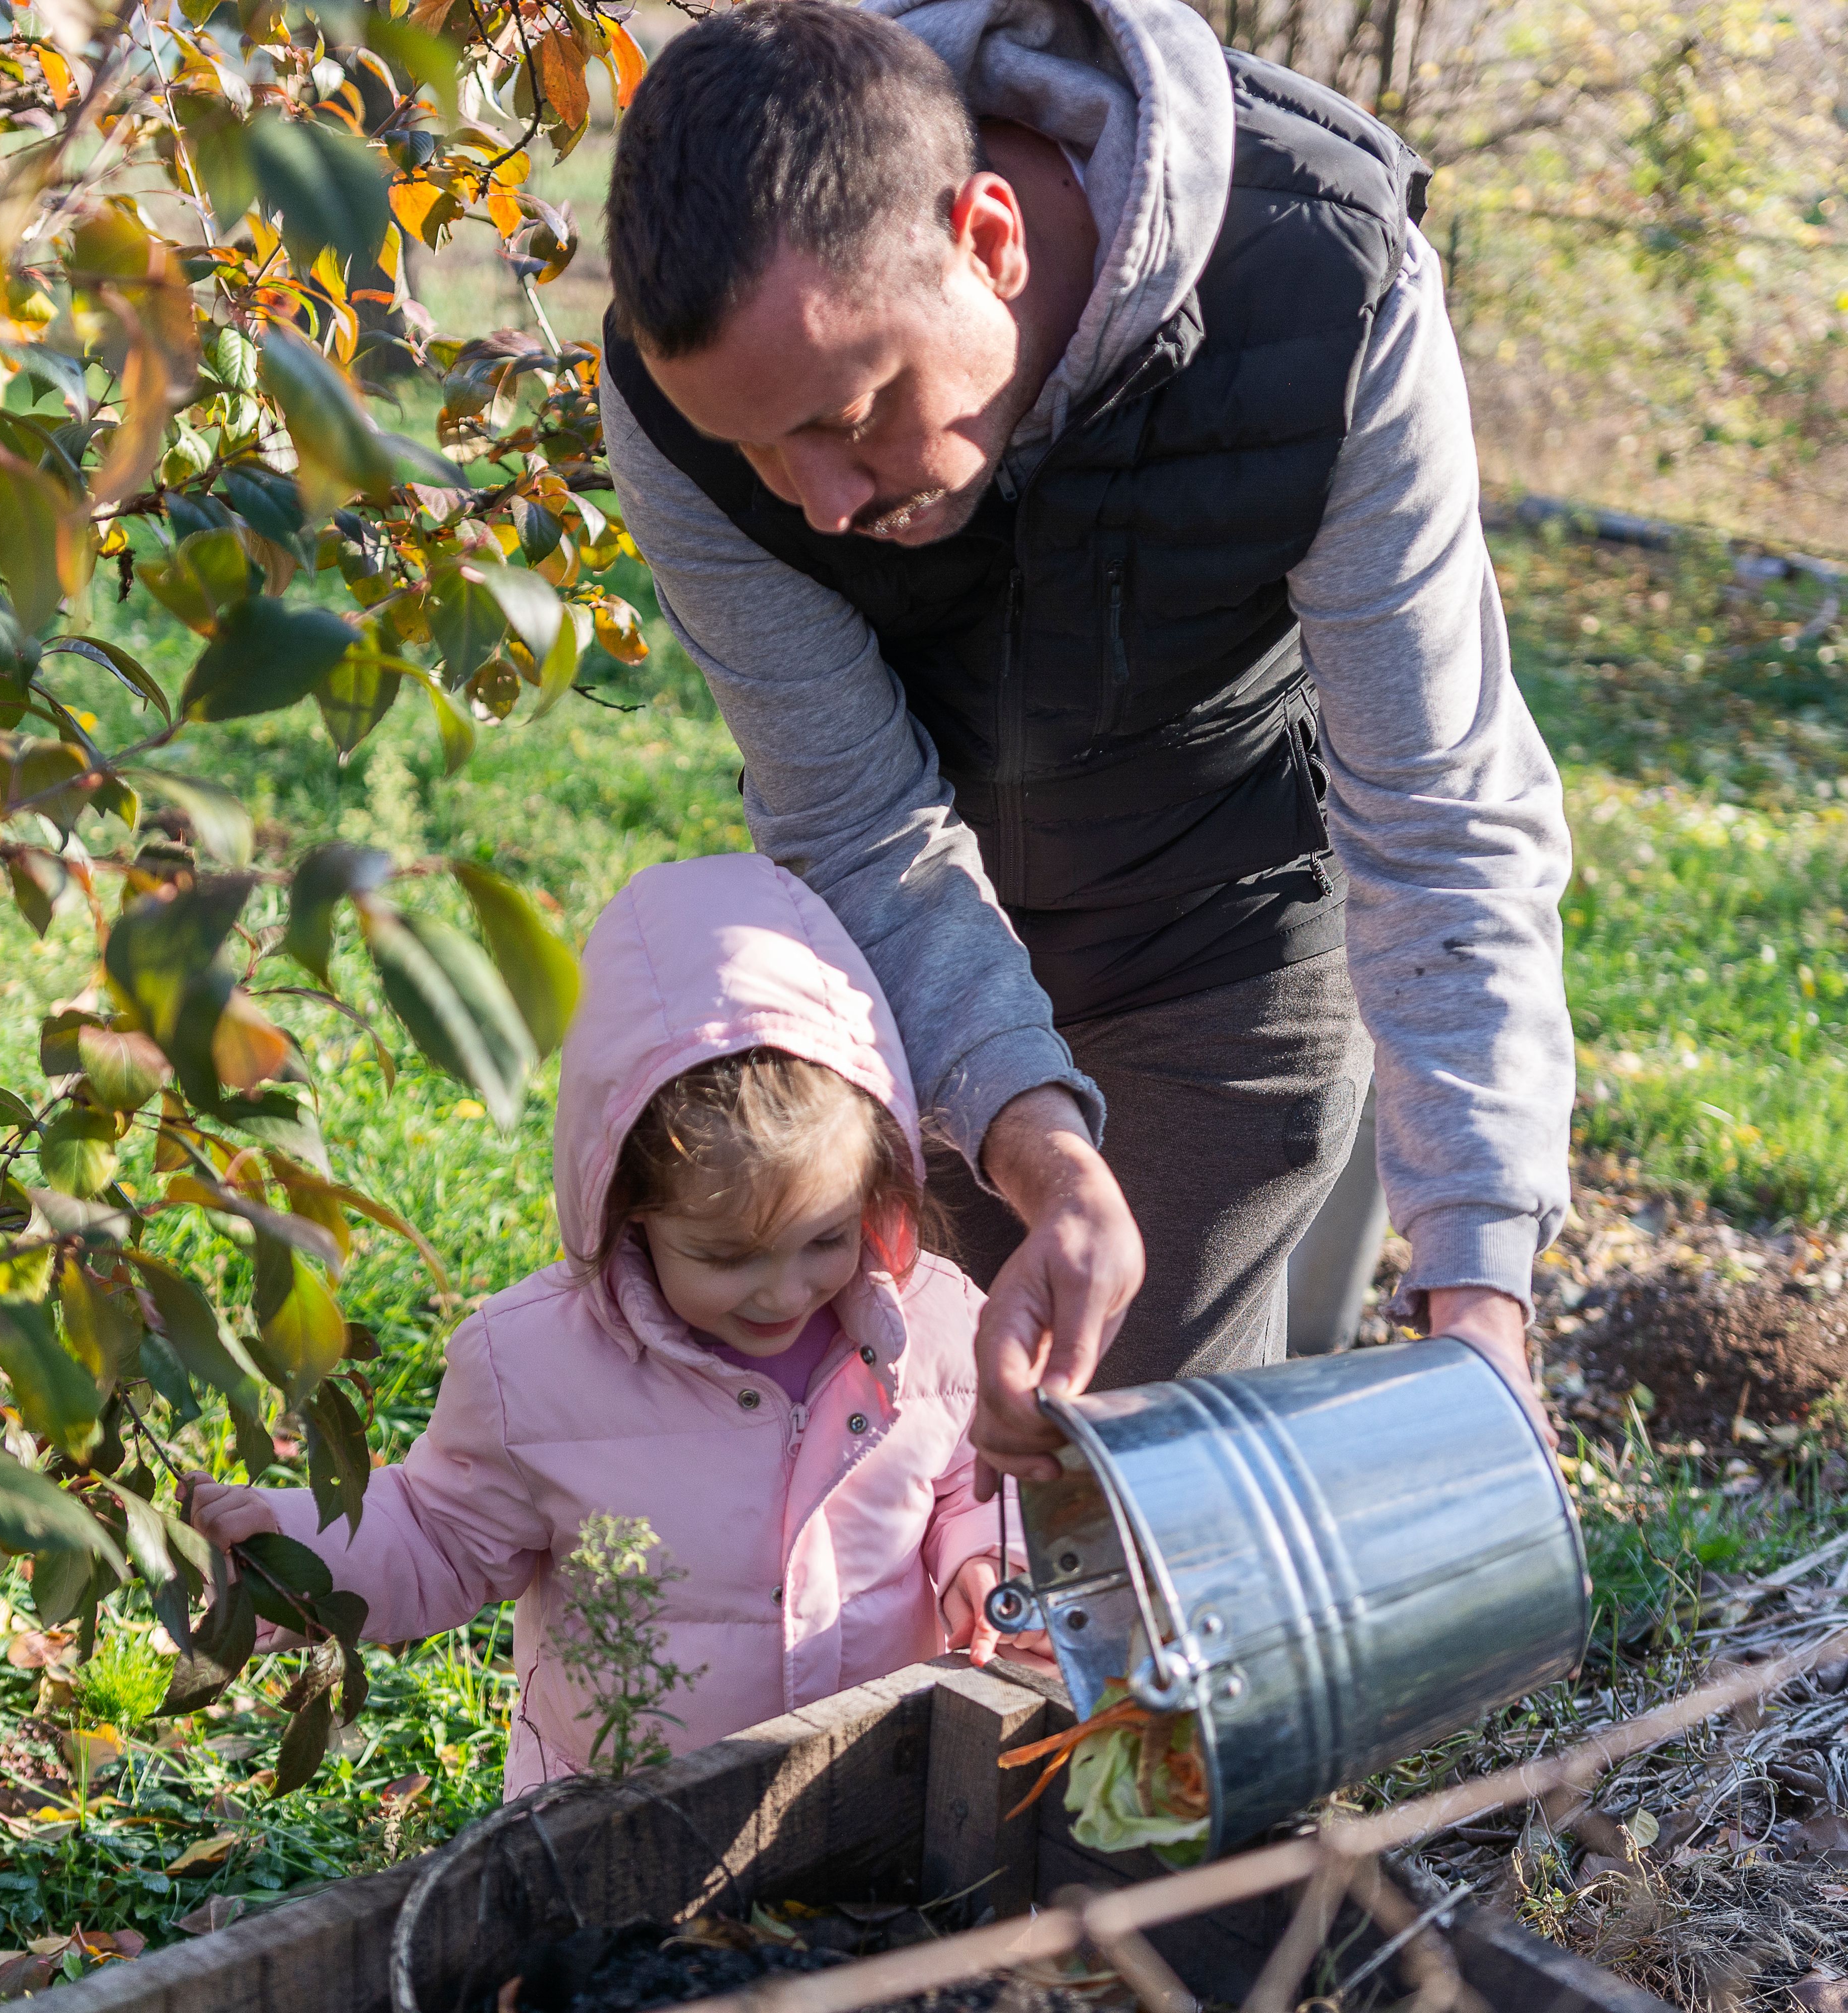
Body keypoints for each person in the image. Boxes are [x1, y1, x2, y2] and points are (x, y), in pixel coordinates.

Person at [597, 0, 1574, 1483]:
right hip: (912, 961)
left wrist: (1480, 1285)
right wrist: (1039, 1148)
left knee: (1119, 1495)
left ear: (991, 238)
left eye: (856, 417)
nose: (821, 507)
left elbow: (1439, 810)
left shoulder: (1326, 283)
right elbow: (858, 828)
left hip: (1220, 937)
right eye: (760, 451)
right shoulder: (674, 405)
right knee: (908, 1475)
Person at [184, 854, 1026, 1791]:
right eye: (726, 1256)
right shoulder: (537, 1368)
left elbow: (973, 1481)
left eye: (825, 1240)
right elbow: (436, 1533)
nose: (786, 1293)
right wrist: (288, 1545)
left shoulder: (938, 1324)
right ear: (626, 1209)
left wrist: (984, 1563)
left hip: (865, 1786)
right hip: (615, 1814)